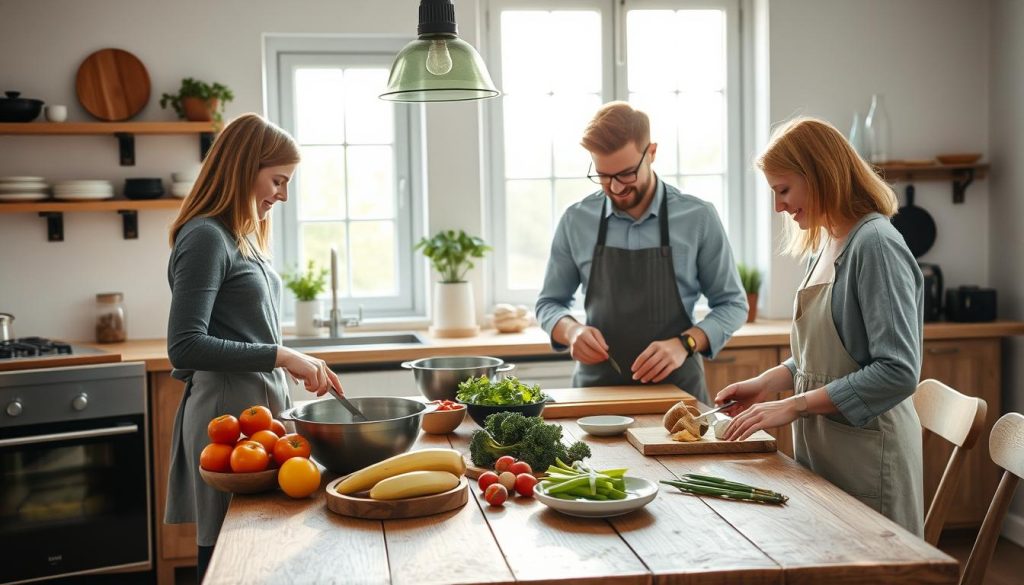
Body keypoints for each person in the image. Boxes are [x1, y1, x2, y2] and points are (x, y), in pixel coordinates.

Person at [716, 116, 924, 535]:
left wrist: (793, 405)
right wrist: (769, 382)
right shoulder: (829, 243)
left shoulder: (876, 245)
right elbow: (826, 356)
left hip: (869, 461)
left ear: (819, 174)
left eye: (784, 190)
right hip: (828, 456)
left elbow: (898, 372)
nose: (779, 207)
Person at [163, 113, 344, 580]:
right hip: (228, 416)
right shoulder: (205, 236)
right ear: (245, 168)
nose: (282, 195)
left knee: (263, 550)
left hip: (257, 409)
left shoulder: (237, 235)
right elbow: (185, 346)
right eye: (277, 180)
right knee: (231, 556)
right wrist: (283, 355)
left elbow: (247, 329)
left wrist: (298, 358)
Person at [535, 101, 748, 404]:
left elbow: (733, 305)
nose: (615, 188)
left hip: (677, 395)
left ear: (651, 153)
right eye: (603, 176)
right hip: (595, 395)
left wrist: (685, 343)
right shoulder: (576, 220)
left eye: (625, 174)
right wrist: (570, 331)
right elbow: (549, 303)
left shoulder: (698, 217)